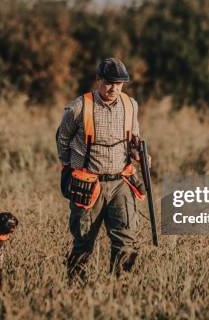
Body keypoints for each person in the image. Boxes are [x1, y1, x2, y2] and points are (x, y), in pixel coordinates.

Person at [56, 57, 147, 280]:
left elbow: (133, 138)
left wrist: (138, 153)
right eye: (108, 82)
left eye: (119, 83)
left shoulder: (131, 105)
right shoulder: (78, 107)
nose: (114, 88)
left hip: (120, 183)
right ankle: (75, 289)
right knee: (84, 242)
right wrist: (71, 168)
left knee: (126, 241)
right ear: (98, 80)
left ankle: (121, 287)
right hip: (88, 184)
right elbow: (62, 139)